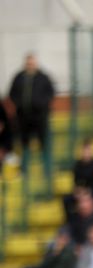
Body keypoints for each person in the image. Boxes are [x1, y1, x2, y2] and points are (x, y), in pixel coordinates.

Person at [8, 54, 55, 186]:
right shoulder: (19, 77)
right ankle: (24, 172)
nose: (30, 65)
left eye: (32, 63)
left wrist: (41, 104)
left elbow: (51, 93)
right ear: (25, 64)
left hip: (40, 118)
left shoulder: (43, 77)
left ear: (36, 63)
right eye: (28, 63)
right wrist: (19, 104)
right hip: (24, 119)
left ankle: (47, 172)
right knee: (25, 146)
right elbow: (12, 94)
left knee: (44, 145)